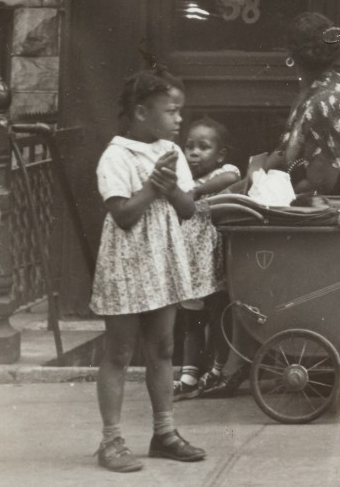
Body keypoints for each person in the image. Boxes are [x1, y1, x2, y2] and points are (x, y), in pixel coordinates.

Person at [90, 68, 206, 472]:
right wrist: (153, 187)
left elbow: (188, 209)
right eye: (171, 111)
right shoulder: (116, 155)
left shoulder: (168, 152)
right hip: (125, 264)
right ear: (141, 112)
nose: (178, 120)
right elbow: (121, 214)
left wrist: (171, 186)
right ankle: (111, 440)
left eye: (180, 112)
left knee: (163, 348)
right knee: (120, 351)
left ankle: (165, 432)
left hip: (161, 262)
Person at [268, 13, 340, 200]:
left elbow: (321, 183)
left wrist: (266, 190)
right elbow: (284, 148)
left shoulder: (325, 102)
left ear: (291, 57)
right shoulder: (327, 83)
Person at [172, 118, 240, 398]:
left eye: (203, 147)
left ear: (220, 154)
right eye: (189, 147)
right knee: (192, 321)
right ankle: (189, 373)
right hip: (191, 264)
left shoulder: (222, 174)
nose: (194, 153)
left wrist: (199, 190)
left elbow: (232, 177)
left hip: (215, 263)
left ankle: (218, 369)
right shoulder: (181, 179)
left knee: (218, 315)